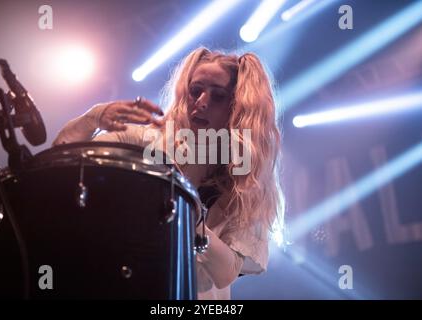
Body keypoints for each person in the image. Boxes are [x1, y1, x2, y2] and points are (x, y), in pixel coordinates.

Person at [53, 47, 284, 300]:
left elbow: (226, 272)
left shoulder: (248, 179)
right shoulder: (149, 139)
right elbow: (63, 159)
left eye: (217, 96)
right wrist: (93, 118)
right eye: (196, 91)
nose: (202, 101)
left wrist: (191, 218)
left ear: (236, 107)